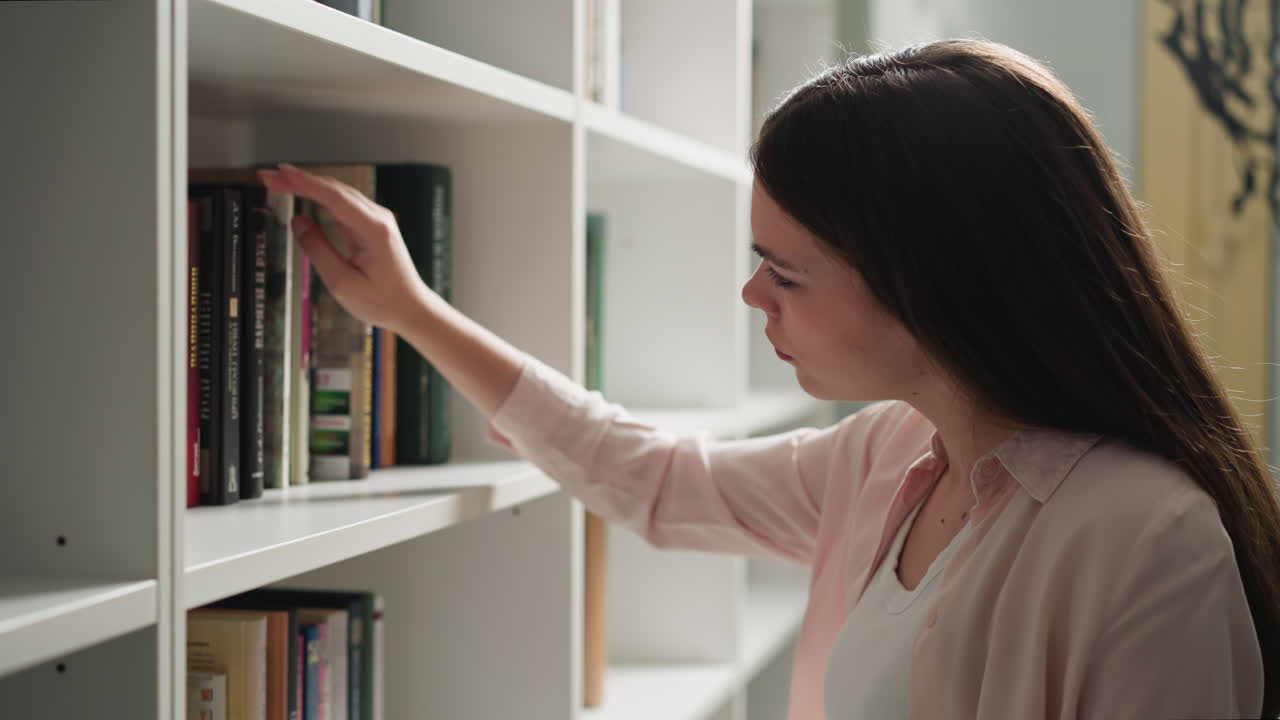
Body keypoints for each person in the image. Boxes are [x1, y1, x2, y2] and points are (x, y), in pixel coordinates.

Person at [258, 38, 1280, 720]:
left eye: (785, 272)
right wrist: (409, 314)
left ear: (935, 284)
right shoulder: (888, 456)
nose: (752, 297)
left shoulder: (1145, 539)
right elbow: (652, 478)